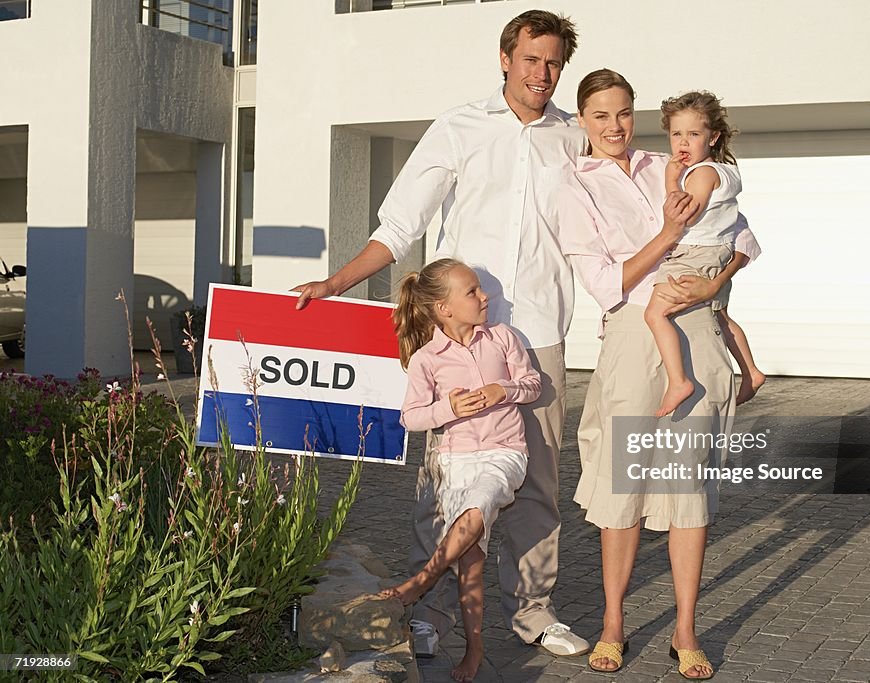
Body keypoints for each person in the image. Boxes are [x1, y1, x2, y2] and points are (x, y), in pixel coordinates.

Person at [292, 9, 623, 656]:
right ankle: (432, 615)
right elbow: (399, 226)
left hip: (539, 335)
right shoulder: (459, 127)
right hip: (460, 339)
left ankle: (532, 611)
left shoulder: (572, 138)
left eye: (554, 62)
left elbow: (611, 219)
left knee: (537, 484)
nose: (543, 74)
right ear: (505, 58)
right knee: (446, 481)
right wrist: (336, 283)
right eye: (531, 60)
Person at [557, 69, 761, 679]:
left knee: (686, 488)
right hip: (630, 333)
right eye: (599, 115)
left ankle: (685, 629)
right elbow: (606, 282)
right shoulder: (573, 185)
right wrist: (669, 233)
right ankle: (614, 624)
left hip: (694, 327)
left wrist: (714, 281)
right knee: (623, 486)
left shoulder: (672, 161)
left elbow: (745, 238)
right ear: (583, 121)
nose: (614, 126)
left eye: (622, 113)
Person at [378, 258, 540, 682]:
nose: (484, 297)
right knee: (471, 562)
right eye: (472, 292)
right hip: (455, 461)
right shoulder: (426, 359)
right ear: (444, 308)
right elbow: (410, 418)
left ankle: (421, 582)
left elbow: (532, 384)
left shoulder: (503, 338)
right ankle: (474, 649)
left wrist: (500, 389)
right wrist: (447, 407)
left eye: (480, 289)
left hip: (505, 454)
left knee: (481, 503)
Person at [646, 91, 767, 417]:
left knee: (655, 314)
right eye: (676, 134)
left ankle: (679, 381)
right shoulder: (724, 171)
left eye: (694, 134)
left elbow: (685, 213)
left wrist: (672, 181)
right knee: (721, 315)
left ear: (713, 137)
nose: (683, 142)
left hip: (696, 252)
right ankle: (751, 372)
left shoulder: (702, 173)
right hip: (717, 252)